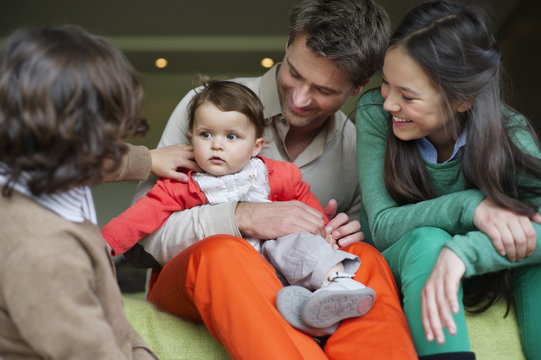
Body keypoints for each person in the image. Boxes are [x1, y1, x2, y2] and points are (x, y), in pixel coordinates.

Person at [127, 0, 417, 358]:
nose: (299, 98)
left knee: (364, 259)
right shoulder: (207, 109)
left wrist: (344, 236)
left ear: (357, 88)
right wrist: (241, 216)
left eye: (324, 90)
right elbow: (144, 239)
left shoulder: (358, 146)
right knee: (224, 254)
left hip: (296, 290)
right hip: (193, 281)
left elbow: (343, 249)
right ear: (288, 44)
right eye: (295, 73)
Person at [102, 80, 376, 336]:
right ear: (191, 137)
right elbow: (138, 218)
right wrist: (103, 246)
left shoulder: (272, 173)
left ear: (257, 146)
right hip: (225, 274)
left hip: (273, 260)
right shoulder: (182, 183)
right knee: (229, 255)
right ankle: (307, 312)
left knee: (300, 245)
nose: (217, 145)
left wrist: (322, 229)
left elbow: (302, 202)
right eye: (205, 134)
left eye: (231, 137)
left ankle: (335, 285)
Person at [356, 1, 541, 359]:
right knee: (428, 241)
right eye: (386, 85)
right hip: (404, 263)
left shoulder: (508, 133)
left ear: (462, 100)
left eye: (407, 96)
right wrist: (474, 207)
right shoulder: (375, 116)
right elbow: (381, 224)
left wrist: (465, 254)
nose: (388, 104)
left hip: (482, 266)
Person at [0, 25, 188, 359]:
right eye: (109, 134)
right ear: (75, 141)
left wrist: (149, 159)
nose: (116, 145)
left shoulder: (37, 161)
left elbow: (108, 162)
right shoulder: (44, 252)